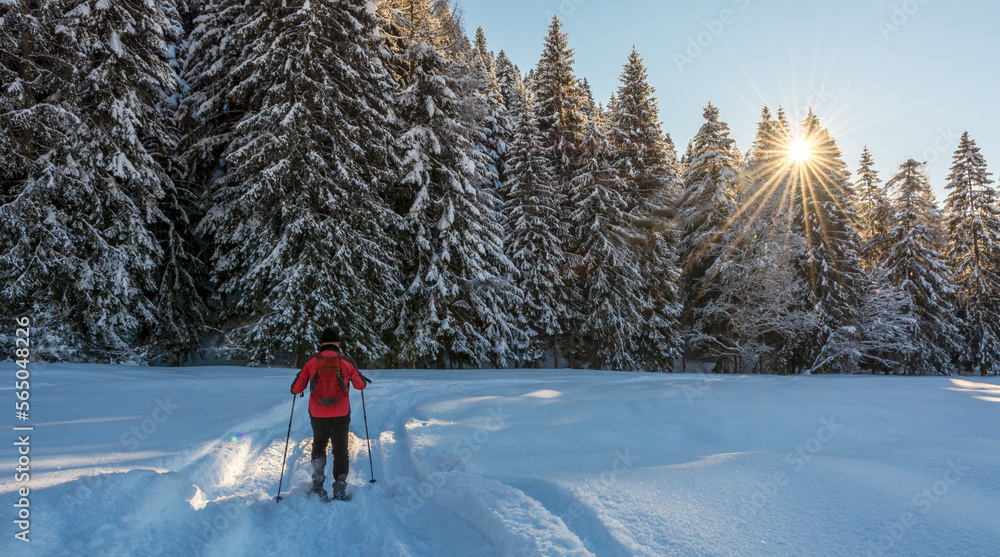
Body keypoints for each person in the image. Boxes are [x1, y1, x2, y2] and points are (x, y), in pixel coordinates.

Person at [290, 327, 370, 500]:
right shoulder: (346, 360)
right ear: (337, 343)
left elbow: (297, 388)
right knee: (340, 447)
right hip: (341, 412)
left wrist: (296, 387)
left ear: (321, 343)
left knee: (319, 443)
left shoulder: (312, 360)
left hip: (318, 412)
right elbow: (360, 385)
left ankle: (318, 483)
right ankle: (340, 486)